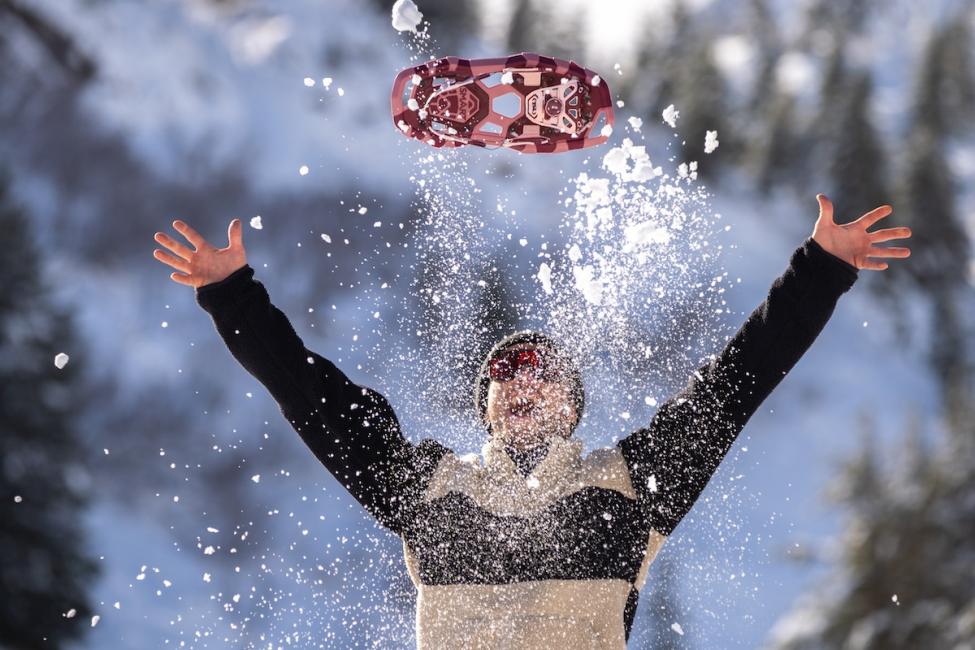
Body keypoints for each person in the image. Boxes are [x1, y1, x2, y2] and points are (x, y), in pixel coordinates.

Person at [152, 195, 911, 648]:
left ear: (572, 408)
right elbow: (312, 399)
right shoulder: (426, 491)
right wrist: (233, 296)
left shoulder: (631, 484)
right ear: (483, 407)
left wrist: (819, 268)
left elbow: (734, 384)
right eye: (503, 375)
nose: (523, 381)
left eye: (543, 372)